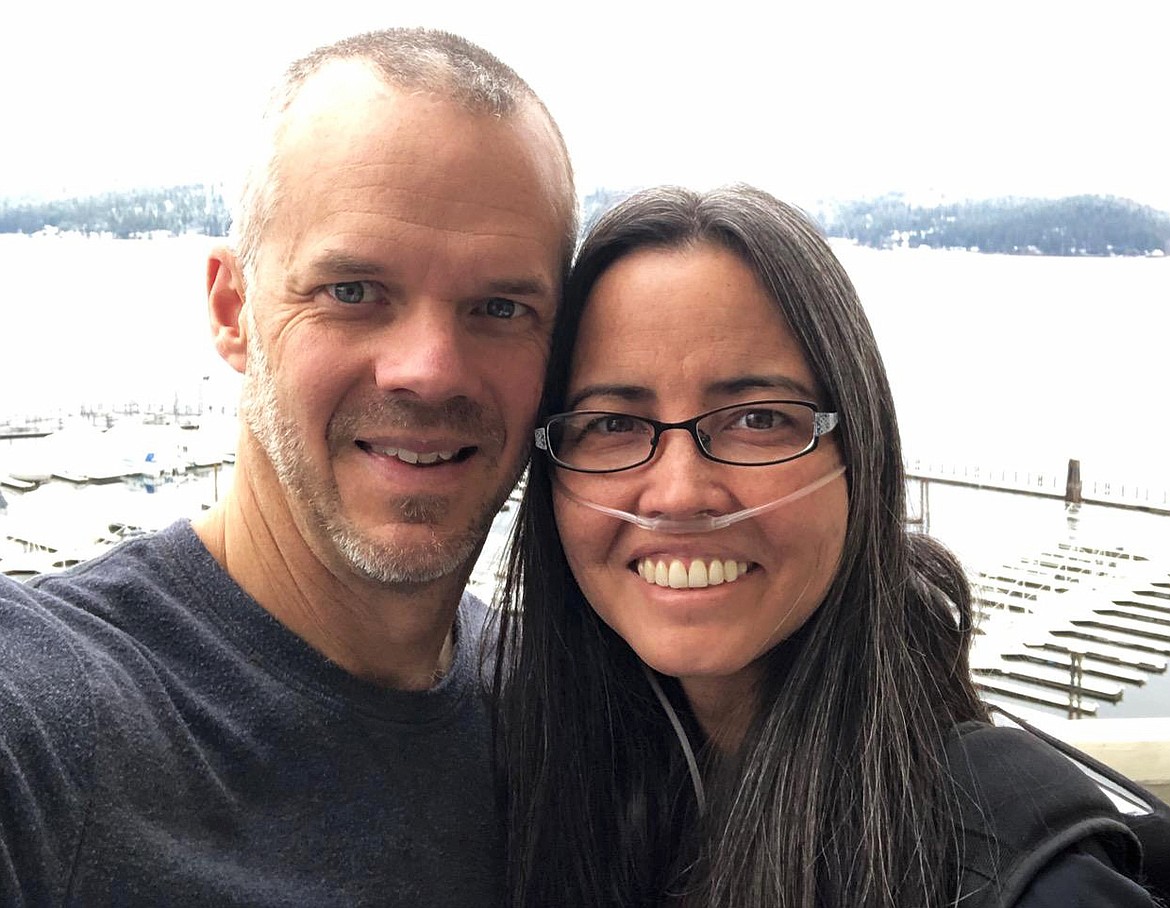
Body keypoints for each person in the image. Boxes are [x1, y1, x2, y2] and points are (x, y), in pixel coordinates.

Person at [0, 28, 574, 905]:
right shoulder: (52, 714)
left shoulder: (564, 723)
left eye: (500, 306)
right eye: (352, 291)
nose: (429, 368)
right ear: (234, 310)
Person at [493, 185, 1157, 906]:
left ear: (860, 457)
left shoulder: (1016, 876)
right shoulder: (565, 784)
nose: (679, 494)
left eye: (758, 418)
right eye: (612, 424)